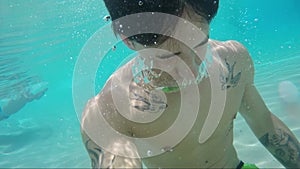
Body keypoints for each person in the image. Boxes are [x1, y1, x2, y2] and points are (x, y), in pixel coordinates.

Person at [80, 0, 300, 168]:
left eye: (200, 44)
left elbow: (267, 127)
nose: (192, 71)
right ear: (129, 40)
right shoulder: (108, 110)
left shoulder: (232, 59)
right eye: (170, 57)